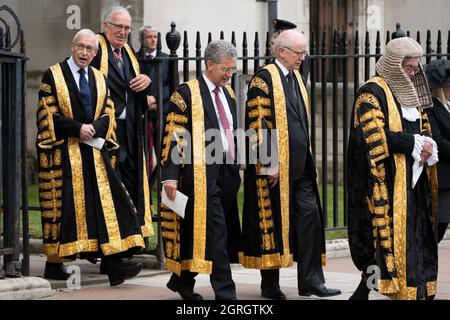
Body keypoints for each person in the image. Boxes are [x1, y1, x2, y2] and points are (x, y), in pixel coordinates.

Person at [36, 29, 144, 286]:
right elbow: (46, 114)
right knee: (64, 209)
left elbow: (109, 109)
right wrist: (77, 129)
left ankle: (114, 265)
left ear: (96, 53)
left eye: (90, 49)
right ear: (72, 47)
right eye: (81, 47)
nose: (85, 53)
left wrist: (94, 127)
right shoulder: (53, 75)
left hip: (95, 152)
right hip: (64, 152)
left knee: (109, 205)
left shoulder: (98, 77)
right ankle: (55, 264)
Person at [241, 29, 341, 299]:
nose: (303, 57)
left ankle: (311, 281)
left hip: (300, 168)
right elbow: (257, 124)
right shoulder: (263, 79)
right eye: (299, 52)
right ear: (281, 51)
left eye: (304, 52)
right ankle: (270, 285)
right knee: (270, 225)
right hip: (274, 170)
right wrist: (268, 162)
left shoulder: (296, 76)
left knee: (310, 221)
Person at [347, 37, 439, 300]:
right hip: (383, 182)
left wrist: (427, 146)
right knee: (379, 244)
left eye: (415, 68)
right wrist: (412, 143)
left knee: (416, 237)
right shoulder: (371, 92)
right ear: (395, 65)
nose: (413, 72)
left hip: (413, 177)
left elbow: (422, 126)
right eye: (409, 67)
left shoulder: (410, 90)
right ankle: (368, 291)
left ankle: (416, 288)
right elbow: (371, 135)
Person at [160, 40, 241, 300]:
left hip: (227, 170)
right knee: (216, 232)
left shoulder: (228, 93)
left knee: (214, 230)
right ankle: (226, 294)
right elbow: (174, 134)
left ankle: (181, 281)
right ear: (208, 65)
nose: (229, 75)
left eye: (232, 70)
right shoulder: (185, 93)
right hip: (199, 173)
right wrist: (170, 175)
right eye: (225, 69)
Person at [90, 6, 153, 251]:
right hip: (106, 133)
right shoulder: (95, 48)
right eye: (118, 27)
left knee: (129, 183)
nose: (123, 32)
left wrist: (147, 82)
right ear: (106, 27)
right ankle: (110, 248)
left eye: (127, 28)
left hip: (129, 131)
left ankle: (128, 242)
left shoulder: (127, 52)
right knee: (110, 187)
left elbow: (135, 89)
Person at [139, 25, 171, 175]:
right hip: (141, 113)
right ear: (142, 39)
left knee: (164, 153)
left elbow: (171, 85)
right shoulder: (135, 56)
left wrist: (155, 98)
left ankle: (163, 188)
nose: (153, 40)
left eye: (155, 37)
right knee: (142, 154)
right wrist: (145, 99)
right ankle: (145, 189)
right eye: (149, 37)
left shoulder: (167, 58)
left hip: (161, 112)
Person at [425, 58, 450, 243]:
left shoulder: (446, 105)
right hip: (441, 178)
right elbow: (438, 142)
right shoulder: (430, 108)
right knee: (437, 228)